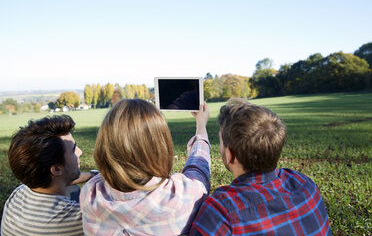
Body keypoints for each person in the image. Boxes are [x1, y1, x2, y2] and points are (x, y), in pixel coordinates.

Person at [190, 98, 332, 236]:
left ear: (230, 154)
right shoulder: (304, 183)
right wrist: (201, 124)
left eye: (221, 140)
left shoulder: (220, 211)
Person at [80, 99, 211, 235]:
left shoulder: (89, 195)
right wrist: (201, 126)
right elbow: (198, 169)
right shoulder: (182, 195)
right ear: (160, 146)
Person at [1, 115, 97, 236]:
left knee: (73, 189)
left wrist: (93, 176)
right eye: (73, 150)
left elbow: (64, 179)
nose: (80, 152)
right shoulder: (76, 219)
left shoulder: (18, 194)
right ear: (56, 169)